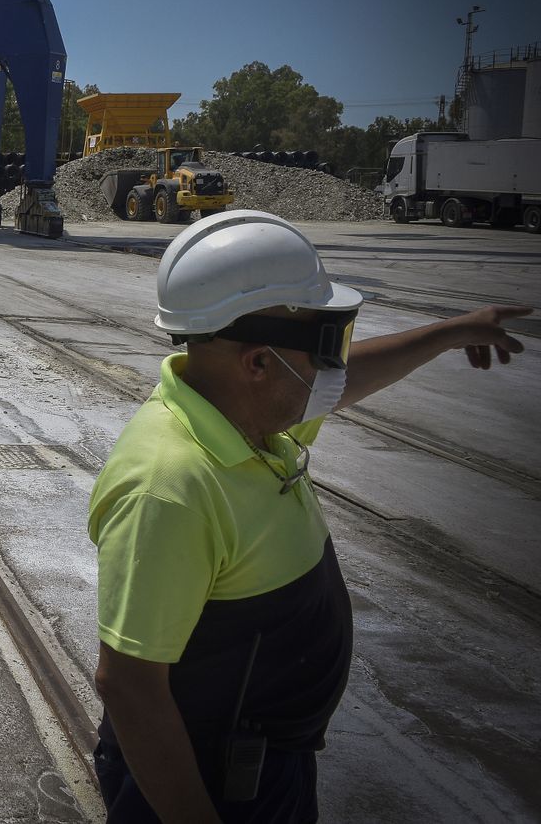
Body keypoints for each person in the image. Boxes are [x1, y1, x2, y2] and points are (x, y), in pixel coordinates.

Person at [87, 210, 528, 823]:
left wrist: (452, 331)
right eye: (326, 349)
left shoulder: (248, 415)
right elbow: (129, 687)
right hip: (207, 778)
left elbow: (348, 382)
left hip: (265, 764)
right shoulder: (171, 487)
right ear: (259, 363)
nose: (334, 370)